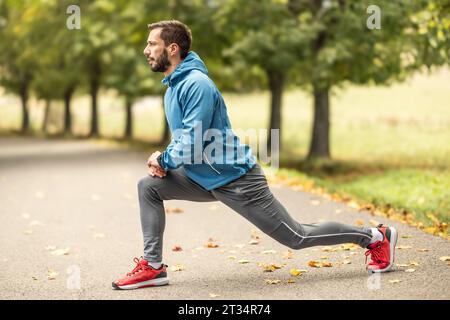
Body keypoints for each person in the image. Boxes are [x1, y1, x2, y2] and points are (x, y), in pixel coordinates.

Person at [112, 20, 398, 290]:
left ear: (172, 48)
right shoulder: (174, 86)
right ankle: (153, 266)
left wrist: (163, 159)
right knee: (148, 187)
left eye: (152, 44)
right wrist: (164, 159)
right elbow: (185, 137)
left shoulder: (196, 84)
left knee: (297, 236)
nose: (146, 50)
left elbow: (194, 138)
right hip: (204, 177)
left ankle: (375, 236)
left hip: (237, 180)